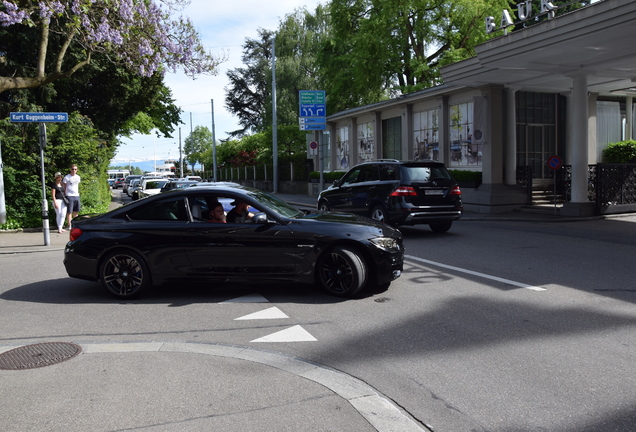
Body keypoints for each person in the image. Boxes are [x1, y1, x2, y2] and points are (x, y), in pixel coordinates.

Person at [63, 164, 81, 229]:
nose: (74, 170)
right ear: (70, 169)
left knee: (76, 211)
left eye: (75, 169)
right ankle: (70, 225)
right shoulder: (67, 177)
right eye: (72, 169)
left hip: (76, 195)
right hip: (69, 195)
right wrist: (64, 196)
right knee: (69, 211)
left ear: (77, 170)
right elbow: (64, 187)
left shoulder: (78, 177)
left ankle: (75, 225)